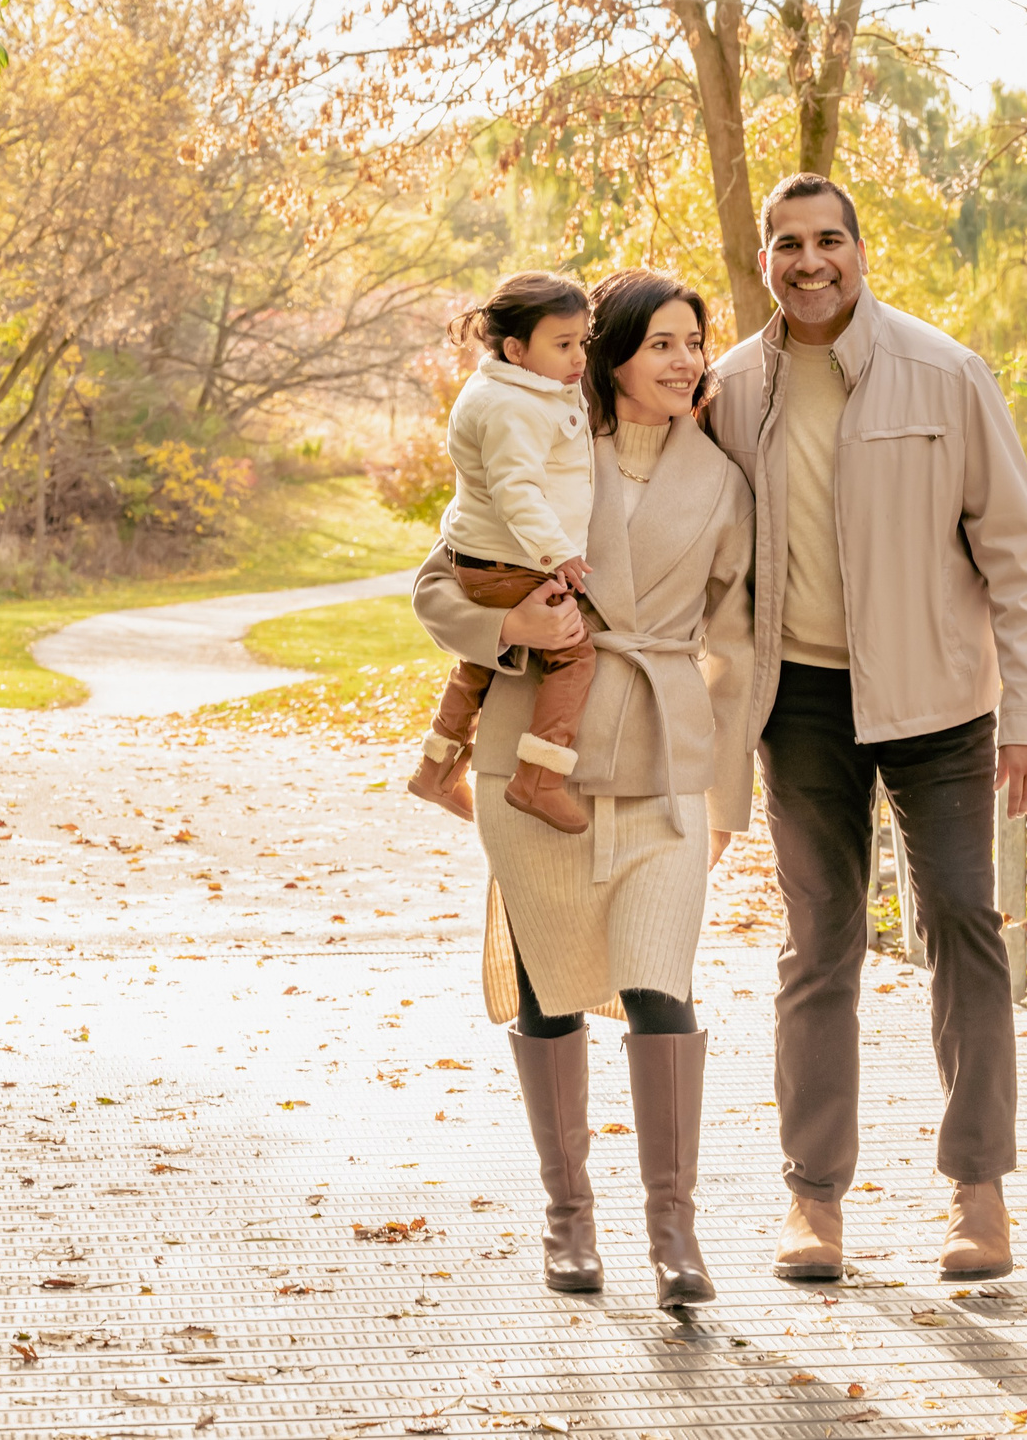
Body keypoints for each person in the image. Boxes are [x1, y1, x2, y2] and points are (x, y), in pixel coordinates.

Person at [705, 173, 1027, 1282]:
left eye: (828, 240)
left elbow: (1021, 556)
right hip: (802, 702)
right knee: (821, 941)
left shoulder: (944, 372)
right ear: (763, 262)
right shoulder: (727, 388)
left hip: (940, 702)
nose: (809, 261)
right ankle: (813, 1201)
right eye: (786, 245)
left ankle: (978, 1191)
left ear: (860, 250)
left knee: (964, 919)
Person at [408, 269, 755, 1310]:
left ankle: (673, 1230)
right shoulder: (551, 446)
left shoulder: (726, 483)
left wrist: (729, 795)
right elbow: (442, 579)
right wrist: (509, 627)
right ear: (606, 358)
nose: (687, 361)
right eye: (661, 344)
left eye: (695, 342)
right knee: (550, 980)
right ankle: (567, 1217)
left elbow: (736, 643)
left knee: (663, 986)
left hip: (663, 760)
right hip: (534, 763)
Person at [407, 270, 602, 834]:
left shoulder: (511, 389)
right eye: (562, 345)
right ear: (517, 349)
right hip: (511, 561)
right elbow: (517, 492)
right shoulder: (512, 407)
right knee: (572, 655)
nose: (578, 358)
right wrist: (558, 553)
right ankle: (539, 777)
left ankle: (436, 766)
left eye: (582, 343)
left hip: (484, 557)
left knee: (478, 662)